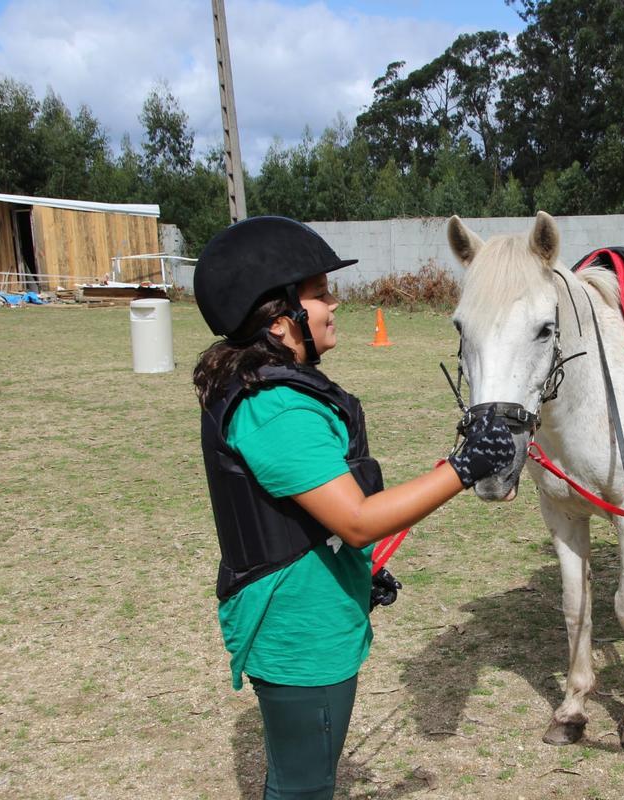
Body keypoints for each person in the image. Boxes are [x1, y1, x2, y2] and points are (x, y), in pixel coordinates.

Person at [192, 216, 515, 800]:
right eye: (318, 295)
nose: (334, 304)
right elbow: (358, 518)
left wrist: (355, 571)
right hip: (297, 630)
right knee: (303, 788)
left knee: (304, 778)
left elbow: (314, 519)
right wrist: (463, 468)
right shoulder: (277, 410)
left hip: (311, 609)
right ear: (278, 316)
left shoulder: (276, 391)